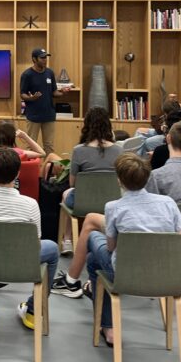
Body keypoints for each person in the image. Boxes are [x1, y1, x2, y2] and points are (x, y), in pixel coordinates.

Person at [83, 154, 181, 346]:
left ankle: (108, 327)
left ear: (119, 180)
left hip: (125, 275)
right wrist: (172, 278)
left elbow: (111, 247)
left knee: (93, 243)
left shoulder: (113, 207)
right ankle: (106, 323)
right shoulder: (168, 203)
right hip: (164, 276)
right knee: (93, 259)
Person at [0, 148, 59, 330]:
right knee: (52, 249)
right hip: (23, 265)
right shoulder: (31, 204)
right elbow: (35, 245)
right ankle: (33, 311)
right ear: (18, 174)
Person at [59, 107, 122, 254]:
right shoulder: (119, 150)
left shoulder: (79, 150)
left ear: (86, 125)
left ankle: (67, 240)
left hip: (83, 203)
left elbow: (73, 183)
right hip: (112, 201)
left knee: (66, 193)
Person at [19, 48, 63, 153]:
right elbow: (22, 94)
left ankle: (48, 164)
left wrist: (63, 92)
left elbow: (54, 92)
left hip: (49, 115)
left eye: (46, 57)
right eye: (42, 58)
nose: (45, 60)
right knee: (31, 146)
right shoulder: (27, 75)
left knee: (49, 146)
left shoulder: (50, 73)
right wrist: (31, 98)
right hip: (33, 116)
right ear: (34, 59)